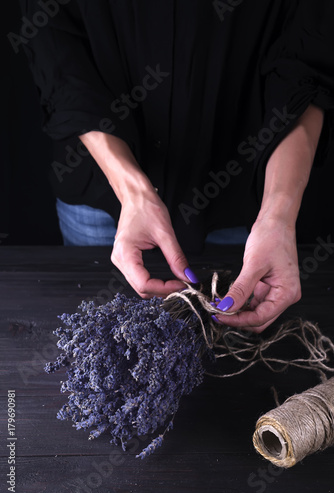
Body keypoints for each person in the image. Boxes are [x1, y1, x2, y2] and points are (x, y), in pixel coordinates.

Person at [18, 0, 334, 332]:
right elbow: (55, 45)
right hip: (103, 199)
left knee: (230, 348)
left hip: (249, 207)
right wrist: (133, 193)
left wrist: (278, 215)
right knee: (97, 340)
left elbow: (309, 61)